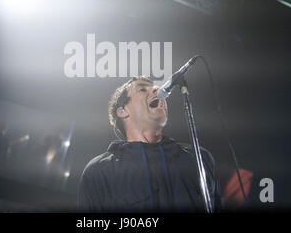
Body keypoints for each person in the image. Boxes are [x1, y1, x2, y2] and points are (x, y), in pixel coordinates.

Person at [78, 76, 222, 212]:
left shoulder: (199, 158)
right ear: (123, 111)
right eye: (142, 89)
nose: (157, 89)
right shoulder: (99, 171)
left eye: (155, 87)